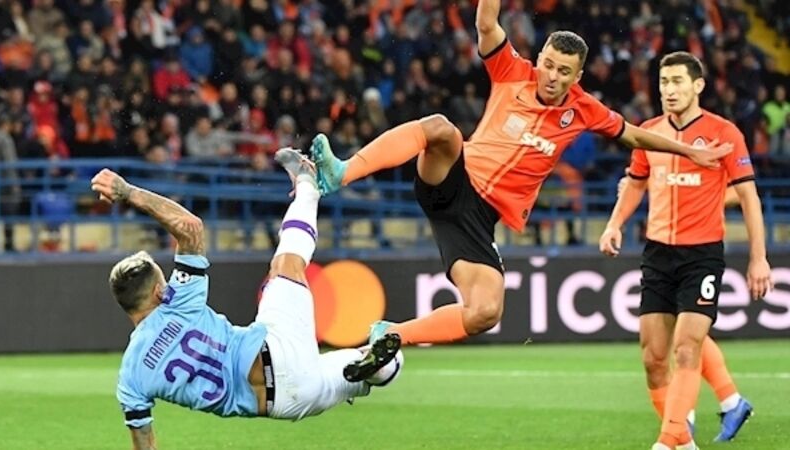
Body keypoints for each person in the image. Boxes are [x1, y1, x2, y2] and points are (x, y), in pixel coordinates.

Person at [310, 0, 732, 347]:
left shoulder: (584, 109)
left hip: (477, 221)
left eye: (563, 71)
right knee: (440, 129)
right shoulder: (512, 71)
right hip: (453, 179)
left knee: (486, 312)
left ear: (578, 76)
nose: (551, 76)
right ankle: (340, 172)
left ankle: (391, 334)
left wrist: (689, 152)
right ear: (540, 57)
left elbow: (634, 135)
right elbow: (486, 22)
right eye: (548, 64)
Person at [90, 149, 403, 450]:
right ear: (159, 292)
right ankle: (308, 183)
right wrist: (128, 192)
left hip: (285, 404)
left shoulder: (130, 376)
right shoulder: (176, 304)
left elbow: (144, 445)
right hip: (277, 352)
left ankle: (373, 363)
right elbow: (190, 227)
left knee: (357, 369)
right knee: (285, 266)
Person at [598, 52, 773, 450]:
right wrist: (613, 224)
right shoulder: (649, 133)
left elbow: (749, 196)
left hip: (701, 256)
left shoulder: (723, 132)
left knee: (687, 346)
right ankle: (685, 438)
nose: (669, 90)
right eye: (664, 82)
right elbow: (636, 183)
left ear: (698, 86)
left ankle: (668, 440)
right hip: (658, 254)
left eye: (677, 81)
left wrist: (758, 257)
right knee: (653, 358)